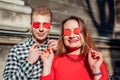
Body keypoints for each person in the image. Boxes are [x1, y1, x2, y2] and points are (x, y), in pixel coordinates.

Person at [39, 16, 108, 80]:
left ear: (84, 34)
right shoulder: (55, 60)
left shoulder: (95, 60)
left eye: (76, 31)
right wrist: (47, 64)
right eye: (67, 32)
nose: (72, 35)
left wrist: (95, 69)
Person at [3, 7, 57, 80]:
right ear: (31, 26)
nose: (41, 29)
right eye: (36, 25)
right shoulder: (17, 50)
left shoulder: (56, 49)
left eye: (45, 25)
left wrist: (62, 50)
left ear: (50, 27)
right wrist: (29, 62)